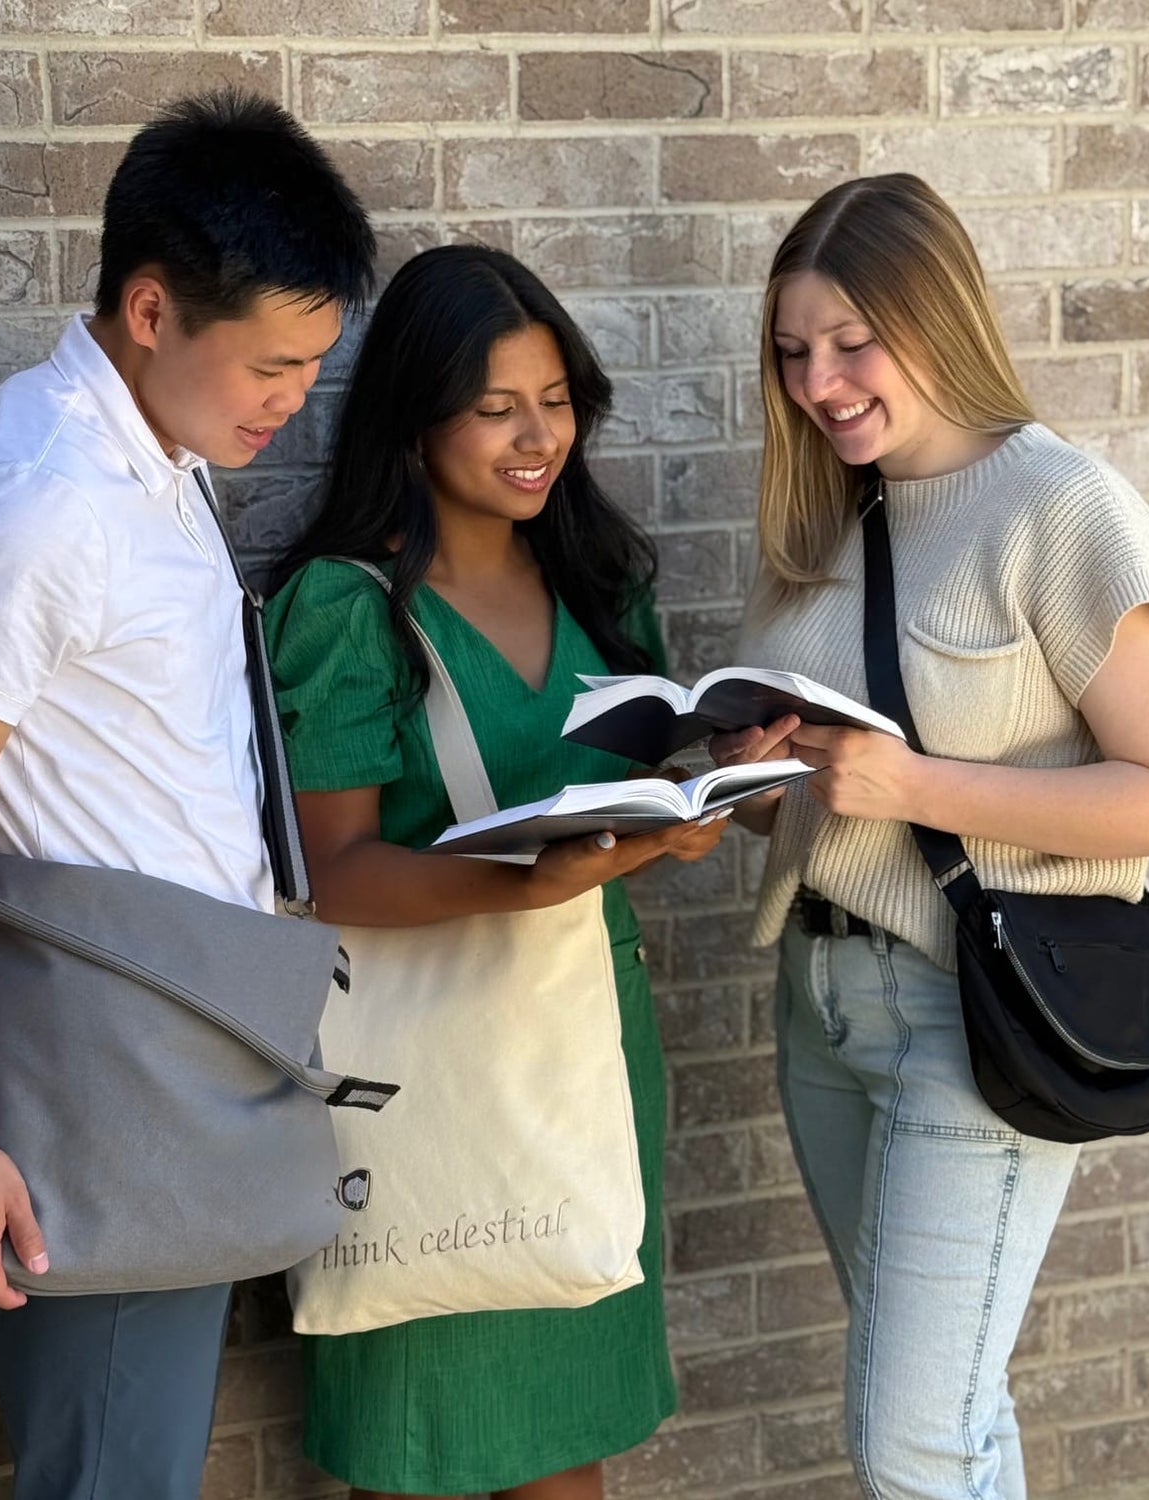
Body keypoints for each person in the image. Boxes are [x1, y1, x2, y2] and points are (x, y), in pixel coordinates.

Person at [0, 90, 374, 1500]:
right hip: (103, 1077)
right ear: (152, 311)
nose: (292, 400)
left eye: (313, 365)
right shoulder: (47, 494)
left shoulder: (157, 459)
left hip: (177, 1046)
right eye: (270, 364)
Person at [710, 174, 1149, 1500]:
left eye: (849, 343)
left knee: (911, 1440)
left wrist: (914, 787)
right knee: (949, 1410)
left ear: (934, 317)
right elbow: (835, 785)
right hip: (819, 1004)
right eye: (791, 352)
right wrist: (751, 781)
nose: (818, 383)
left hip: (973, 1014)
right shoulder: (822, 517)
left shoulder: (1060, 508)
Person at [264, 244, 725, 1500]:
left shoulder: (600, 576)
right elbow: (331, 868)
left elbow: (630, 791)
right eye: (495, 407)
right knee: (422, 1458)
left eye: (557, 399)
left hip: (585, 1040)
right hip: (422, 1070)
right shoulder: (344, 608)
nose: (538, 438)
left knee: (562, 1442)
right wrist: (524, 885)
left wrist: (703, 794)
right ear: (414, 423)